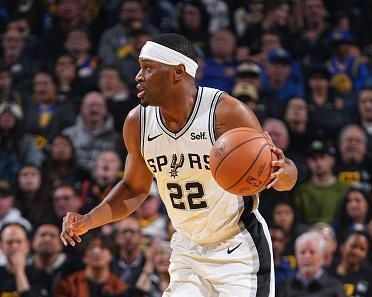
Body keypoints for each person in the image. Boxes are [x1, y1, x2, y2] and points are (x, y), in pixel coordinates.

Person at [61, 33, 298, 297]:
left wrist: (282, 172)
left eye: (148, 68)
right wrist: (88, 220)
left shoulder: (226, 113)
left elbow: (281, 171)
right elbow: (133, 188)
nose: (138, 76)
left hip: (237, 247)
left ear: (178, 72)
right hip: (187, 248)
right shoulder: (137, 122)